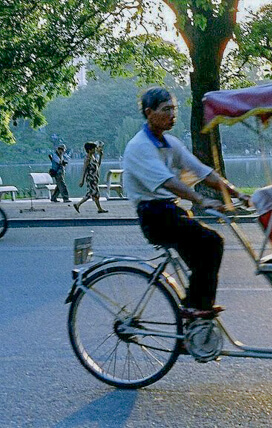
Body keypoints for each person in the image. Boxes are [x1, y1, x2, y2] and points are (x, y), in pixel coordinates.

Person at [123, 87, 250, 319]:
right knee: (212, 242)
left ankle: (194, 318)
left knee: (204, 258)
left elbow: (201, 171)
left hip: (171, 211)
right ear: (149, 113)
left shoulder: (171, 143)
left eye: (174, 109)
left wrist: (237, 194)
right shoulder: (140, 146)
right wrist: (202, 199)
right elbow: (169, 182)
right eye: (166, 109)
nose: (172, 114)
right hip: (154, 215)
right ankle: (194, 309)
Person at [73, 142, 109, 213]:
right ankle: (78, 204)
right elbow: (84, 169)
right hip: (91, 179)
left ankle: (99, 208)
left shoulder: (93, 157)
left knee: (94, 193)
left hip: (95, 178)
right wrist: (82, 180)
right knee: (93, 193)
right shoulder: (88, 158)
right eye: (93, 149)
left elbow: (98, 165)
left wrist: (100, 156)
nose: (95, 150)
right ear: (89, 150)